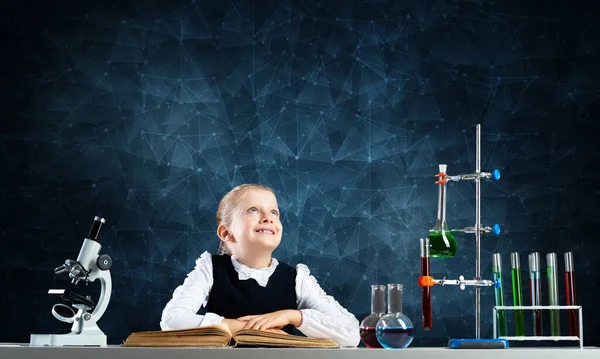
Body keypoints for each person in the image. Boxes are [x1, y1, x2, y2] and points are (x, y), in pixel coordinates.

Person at [160, 184, 360, 347]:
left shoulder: (297, 279)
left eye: (274, 212)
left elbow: (351, 333)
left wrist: (292, 316)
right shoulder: (209, 269)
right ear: (225, 233)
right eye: (253, 210)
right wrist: (241, 327)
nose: (268, 217)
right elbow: (171, 321)